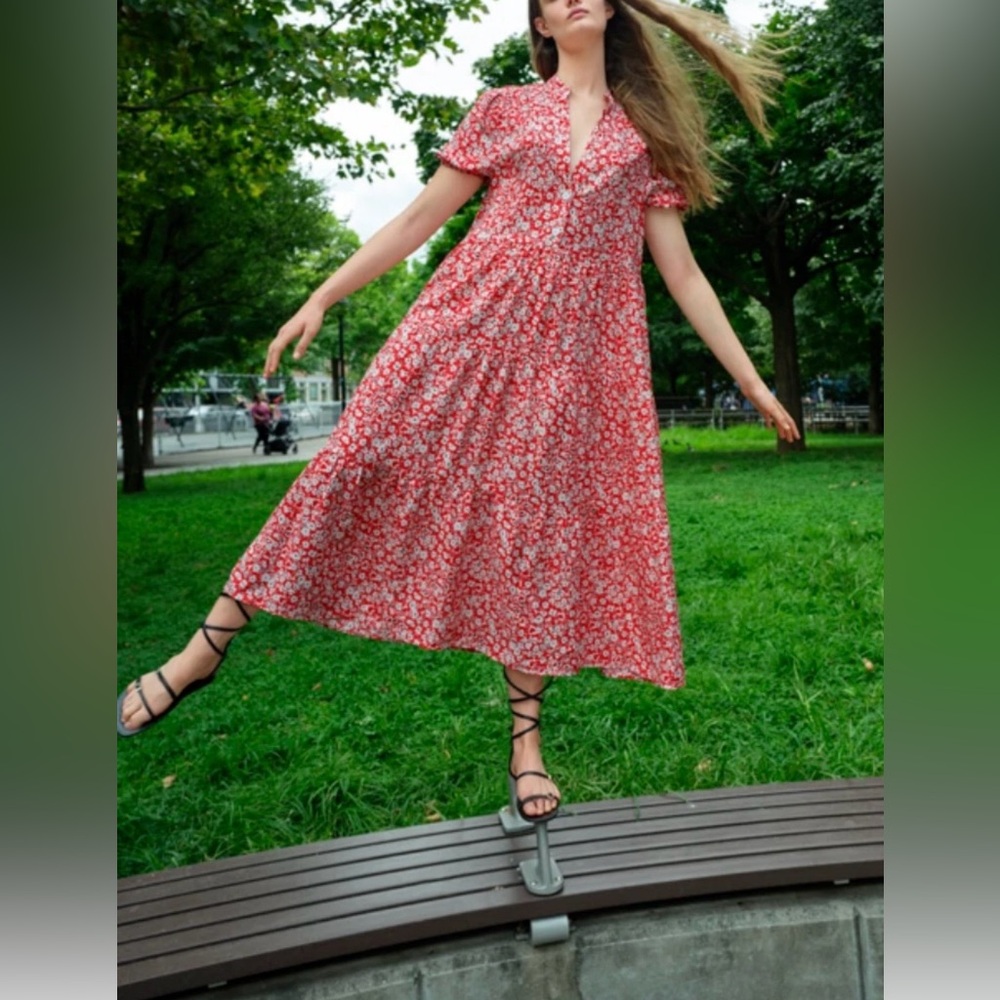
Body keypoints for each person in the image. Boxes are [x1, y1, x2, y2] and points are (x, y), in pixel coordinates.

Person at [117, 0, 800, 825]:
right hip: (464, 334)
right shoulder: (504, 110)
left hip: (577, 376)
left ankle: (526, 746)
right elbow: (416, 221)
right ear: (541, 24)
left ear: (613, 9)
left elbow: (684, 277)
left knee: (536, 541)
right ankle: (204, 648)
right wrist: (321, 296)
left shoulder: (640, 141)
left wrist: (755, 382)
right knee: (352, 462)